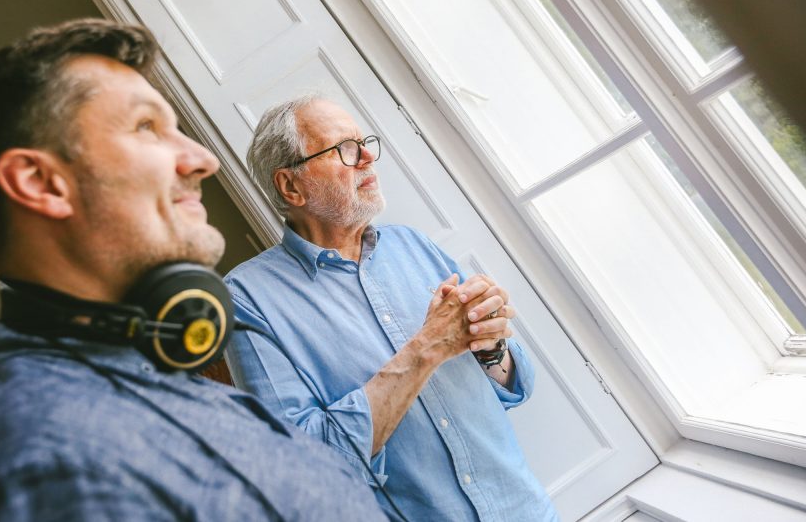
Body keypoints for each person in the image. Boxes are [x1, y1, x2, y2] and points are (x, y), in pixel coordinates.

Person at [0, 20, 389, 521]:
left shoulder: (153, 380)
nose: (203, 160)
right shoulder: (43, 466)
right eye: (146, 127)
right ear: (41, 183)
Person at [224, 95, 559, 521]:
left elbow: (514, 387)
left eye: (364, 143)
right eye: (344, 148)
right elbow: (303, 470)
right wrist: (427, 348)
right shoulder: (247, 299)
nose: (367, 157)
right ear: (291, 186)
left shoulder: (413, 244)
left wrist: (491, 347)